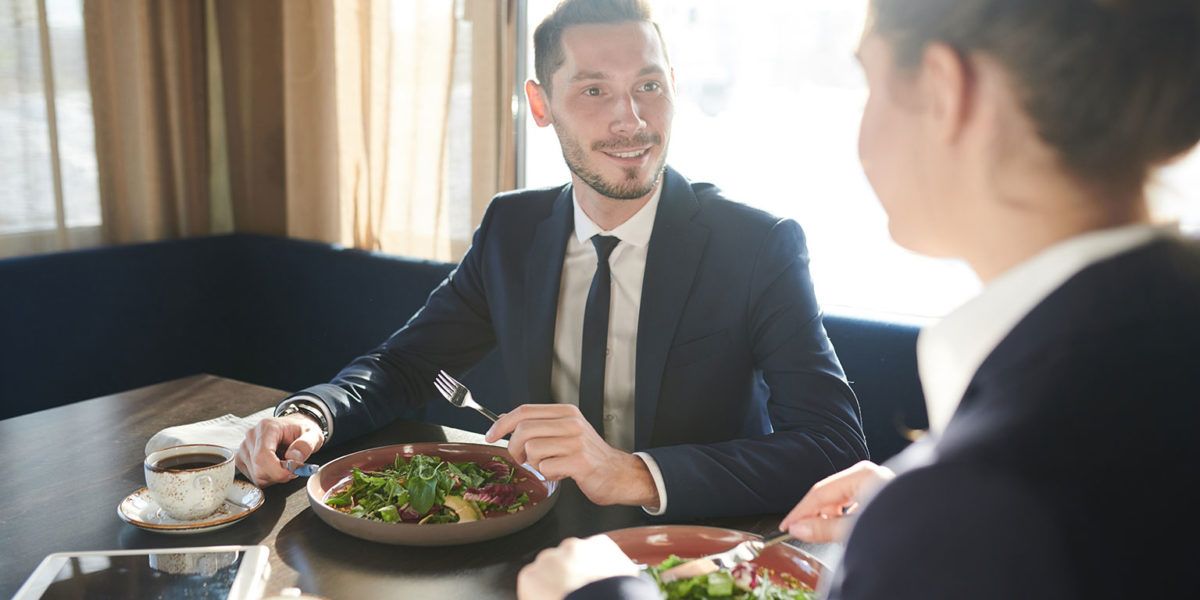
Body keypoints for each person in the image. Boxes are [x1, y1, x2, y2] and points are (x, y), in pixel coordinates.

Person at [519, 0, 1200, 597]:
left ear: (943, 90)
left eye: (870, 81)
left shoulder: (985, 503)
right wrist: (915, 508)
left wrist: (601, 594)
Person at [235, 0, 868, 520]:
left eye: (649, 85)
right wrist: (311, 414)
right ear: (541, 105)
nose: (632, 119)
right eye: (595, 90)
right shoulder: (513, 228)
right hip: (534, 540)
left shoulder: (757, 245)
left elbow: (832, 444)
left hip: (690, 547)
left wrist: (633, 474)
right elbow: (407, 366)